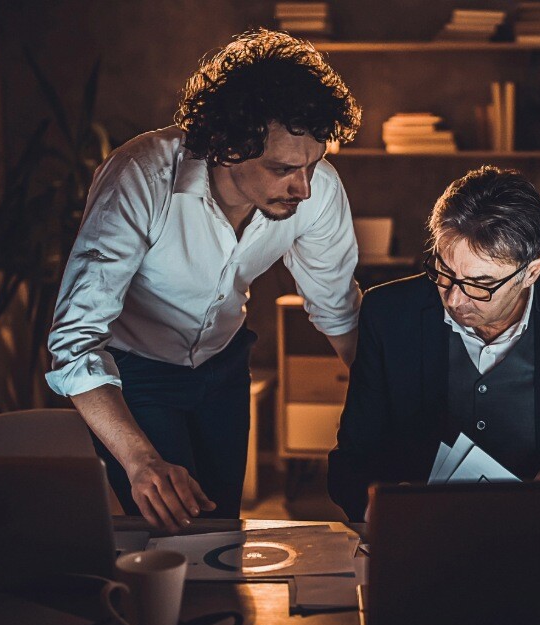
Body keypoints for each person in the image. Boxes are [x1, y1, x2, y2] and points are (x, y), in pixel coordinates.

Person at [46, 29, 362, 532]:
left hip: (225, 366)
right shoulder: (141, 177)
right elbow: (74, 341)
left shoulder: (315, 189)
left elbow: (339, 312)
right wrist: (139, 462)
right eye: (283, 168)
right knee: (174, 531)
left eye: (314, 163)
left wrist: (392, 414)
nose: (304, 187)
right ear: (228, 148)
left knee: (222, 528)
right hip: (137, 372)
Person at [327, 166, 540, 522]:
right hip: (424, 538)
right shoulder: (387, 315)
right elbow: (348, 464)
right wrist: (386, 507)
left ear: (532, 272)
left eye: (480, 285)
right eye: (444, 272)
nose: (454, 299)